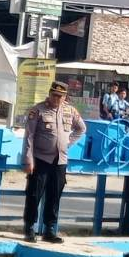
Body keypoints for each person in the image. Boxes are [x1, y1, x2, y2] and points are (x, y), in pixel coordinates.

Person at [22, 81, 86, 243]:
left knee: (54, 195)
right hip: (41, 159)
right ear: (50, 94)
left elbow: (81, 128)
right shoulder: (38, 110)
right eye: (54, 95)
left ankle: (49, 229)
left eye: (60, 96)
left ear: (65, 97)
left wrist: (68, 143)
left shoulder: (70, 111)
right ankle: (30, 228)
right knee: (34, 194)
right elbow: (29, 135)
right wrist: (28, 159)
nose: (57, 98)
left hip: (60, 161)